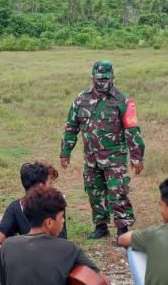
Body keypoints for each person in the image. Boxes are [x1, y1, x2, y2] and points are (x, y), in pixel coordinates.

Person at [60, 60, 145, 239]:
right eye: (99, 78)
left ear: (113, 77)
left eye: (106, 78)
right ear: (92, 78)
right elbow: (71, 127)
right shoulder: (81, 99)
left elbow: (132, 131)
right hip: (91, 158)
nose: (102, 82)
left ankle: (123, 229)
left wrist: (137, 158)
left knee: (118, 193)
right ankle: (100, 226)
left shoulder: (123, 101)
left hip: (115, 159)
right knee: (94, 192)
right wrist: (65, 152)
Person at [0, 161, 67, 245]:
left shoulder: (16, 207)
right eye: (50, 183)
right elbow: (62, 242)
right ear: (41, 187)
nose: (52, 187)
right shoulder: (55, 205)